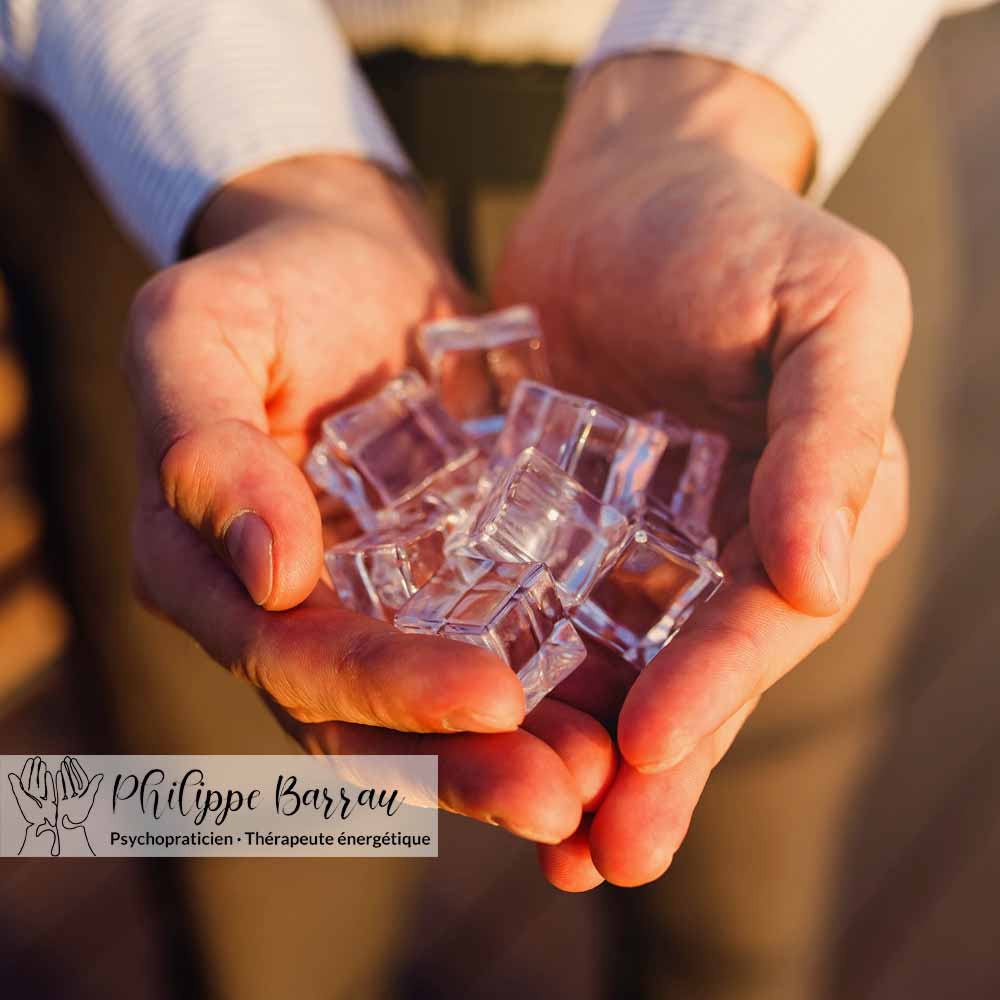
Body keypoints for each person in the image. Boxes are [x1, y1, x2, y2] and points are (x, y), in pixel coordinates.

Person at [0, 1, 988, 996]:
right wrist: (263, 160)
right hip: (172, 164)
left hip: (770, 149)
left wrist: (718, 100)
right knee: (247, 859)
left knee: (740, 888)